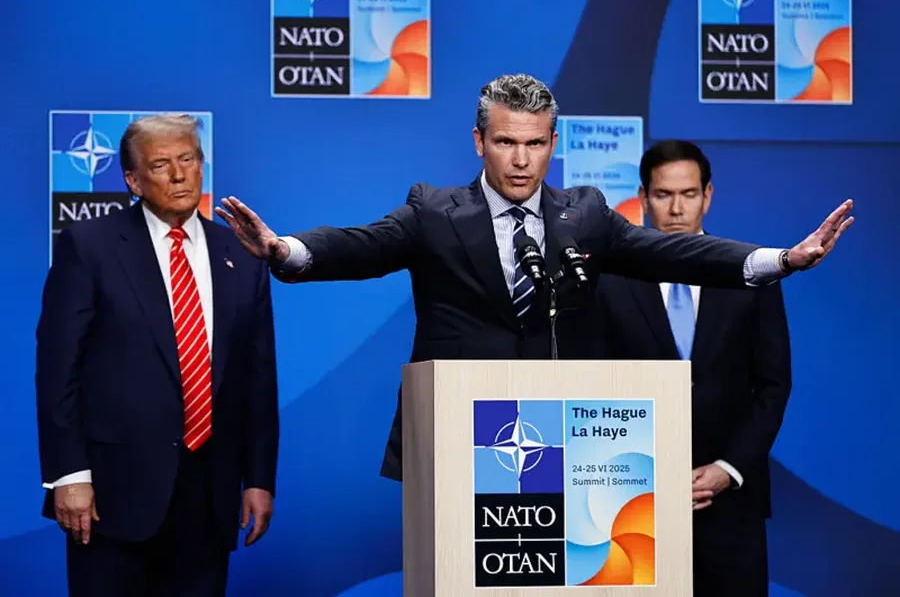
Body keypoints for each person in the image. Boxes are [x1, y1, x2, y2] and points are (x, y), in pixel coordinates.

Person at [215, 73, 851, 483]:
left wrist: (779, 259)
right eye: (505, 143)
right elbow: (362, 246)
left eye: (536, 144)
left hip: (565, 445)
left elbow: (674, 255)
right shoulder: (435, 211)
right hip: (459, 441)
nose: (521, 161)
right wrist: (285, 249)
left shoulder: (586, 214)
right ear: (479, 142)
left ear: (553, 142)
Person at [36, 114, 279, 597]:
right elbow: (58, 369)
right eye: (161, 165)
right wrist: (69, 474)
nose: (179, 175)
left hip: (208, 494)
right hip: (111, 495)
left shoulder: (240, 253)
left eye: (188, 159)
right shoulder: (90, 246)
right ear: (133, 180)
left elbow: (258, 376)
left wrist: (258, 478)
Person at [593, 139, 791, 596]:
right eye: (663, 195)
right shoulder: (608, 281)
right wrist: (642, 475)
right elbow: (594, 387)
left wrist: (728, 468)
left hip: (731, 503)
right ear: (643, 199)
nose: (677, 208)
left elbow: (773, 385)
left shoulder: (752, 273)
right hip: (633, 503)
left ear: (708, 196)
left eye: (688, 194)